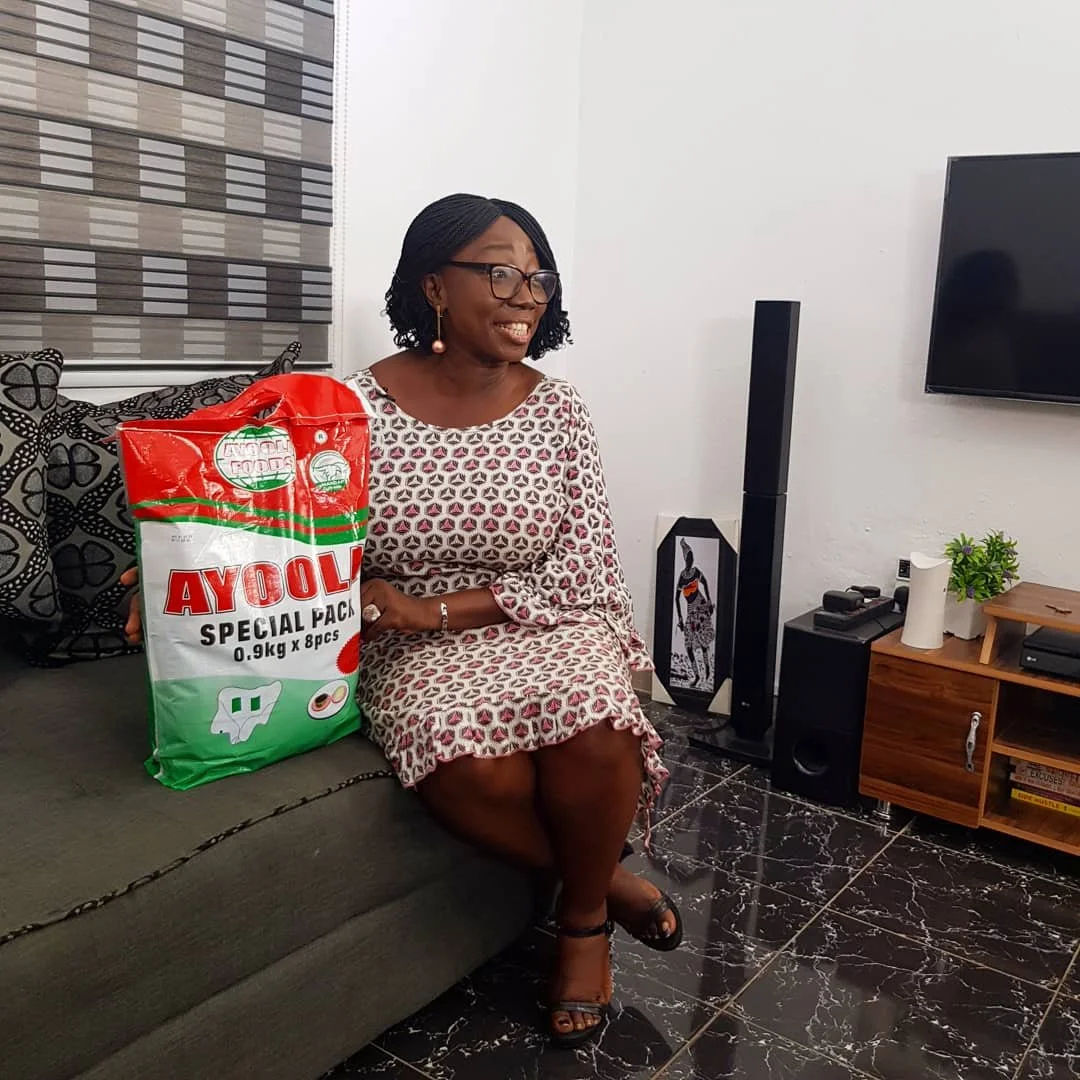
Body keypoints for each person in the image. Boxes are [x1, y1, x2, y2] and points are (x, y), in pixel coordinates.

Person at [122, 193, 678, 1048]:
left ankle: (584, 925)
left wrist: (439, 609)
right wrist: (174, 572)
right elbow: (256, 511)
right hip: (406, 645)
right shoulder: (346, 410)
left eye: (537, 278)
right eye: (501, 272)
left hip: (541, 617)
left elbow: (587, 569)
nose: (527, 295)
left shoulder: (560, 411)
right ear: (435, 287)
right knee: (463, 763)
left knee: (599, 728)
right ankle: (607, 881)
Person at [674, 538, 715, 687]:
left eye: (692, 557)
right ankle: (697, 675)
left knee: (703, 641)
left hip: (700, 605)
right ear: (685, 559)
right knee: (689, 645)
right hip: (691, 609)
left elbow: (705, 583)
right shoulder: (682, 577)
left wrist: (709, 602)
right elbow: (677, 599)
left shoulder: (696, 572)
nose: (691, 560)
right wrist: (680, 617)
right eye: (688, 557)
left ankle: (708, 669)